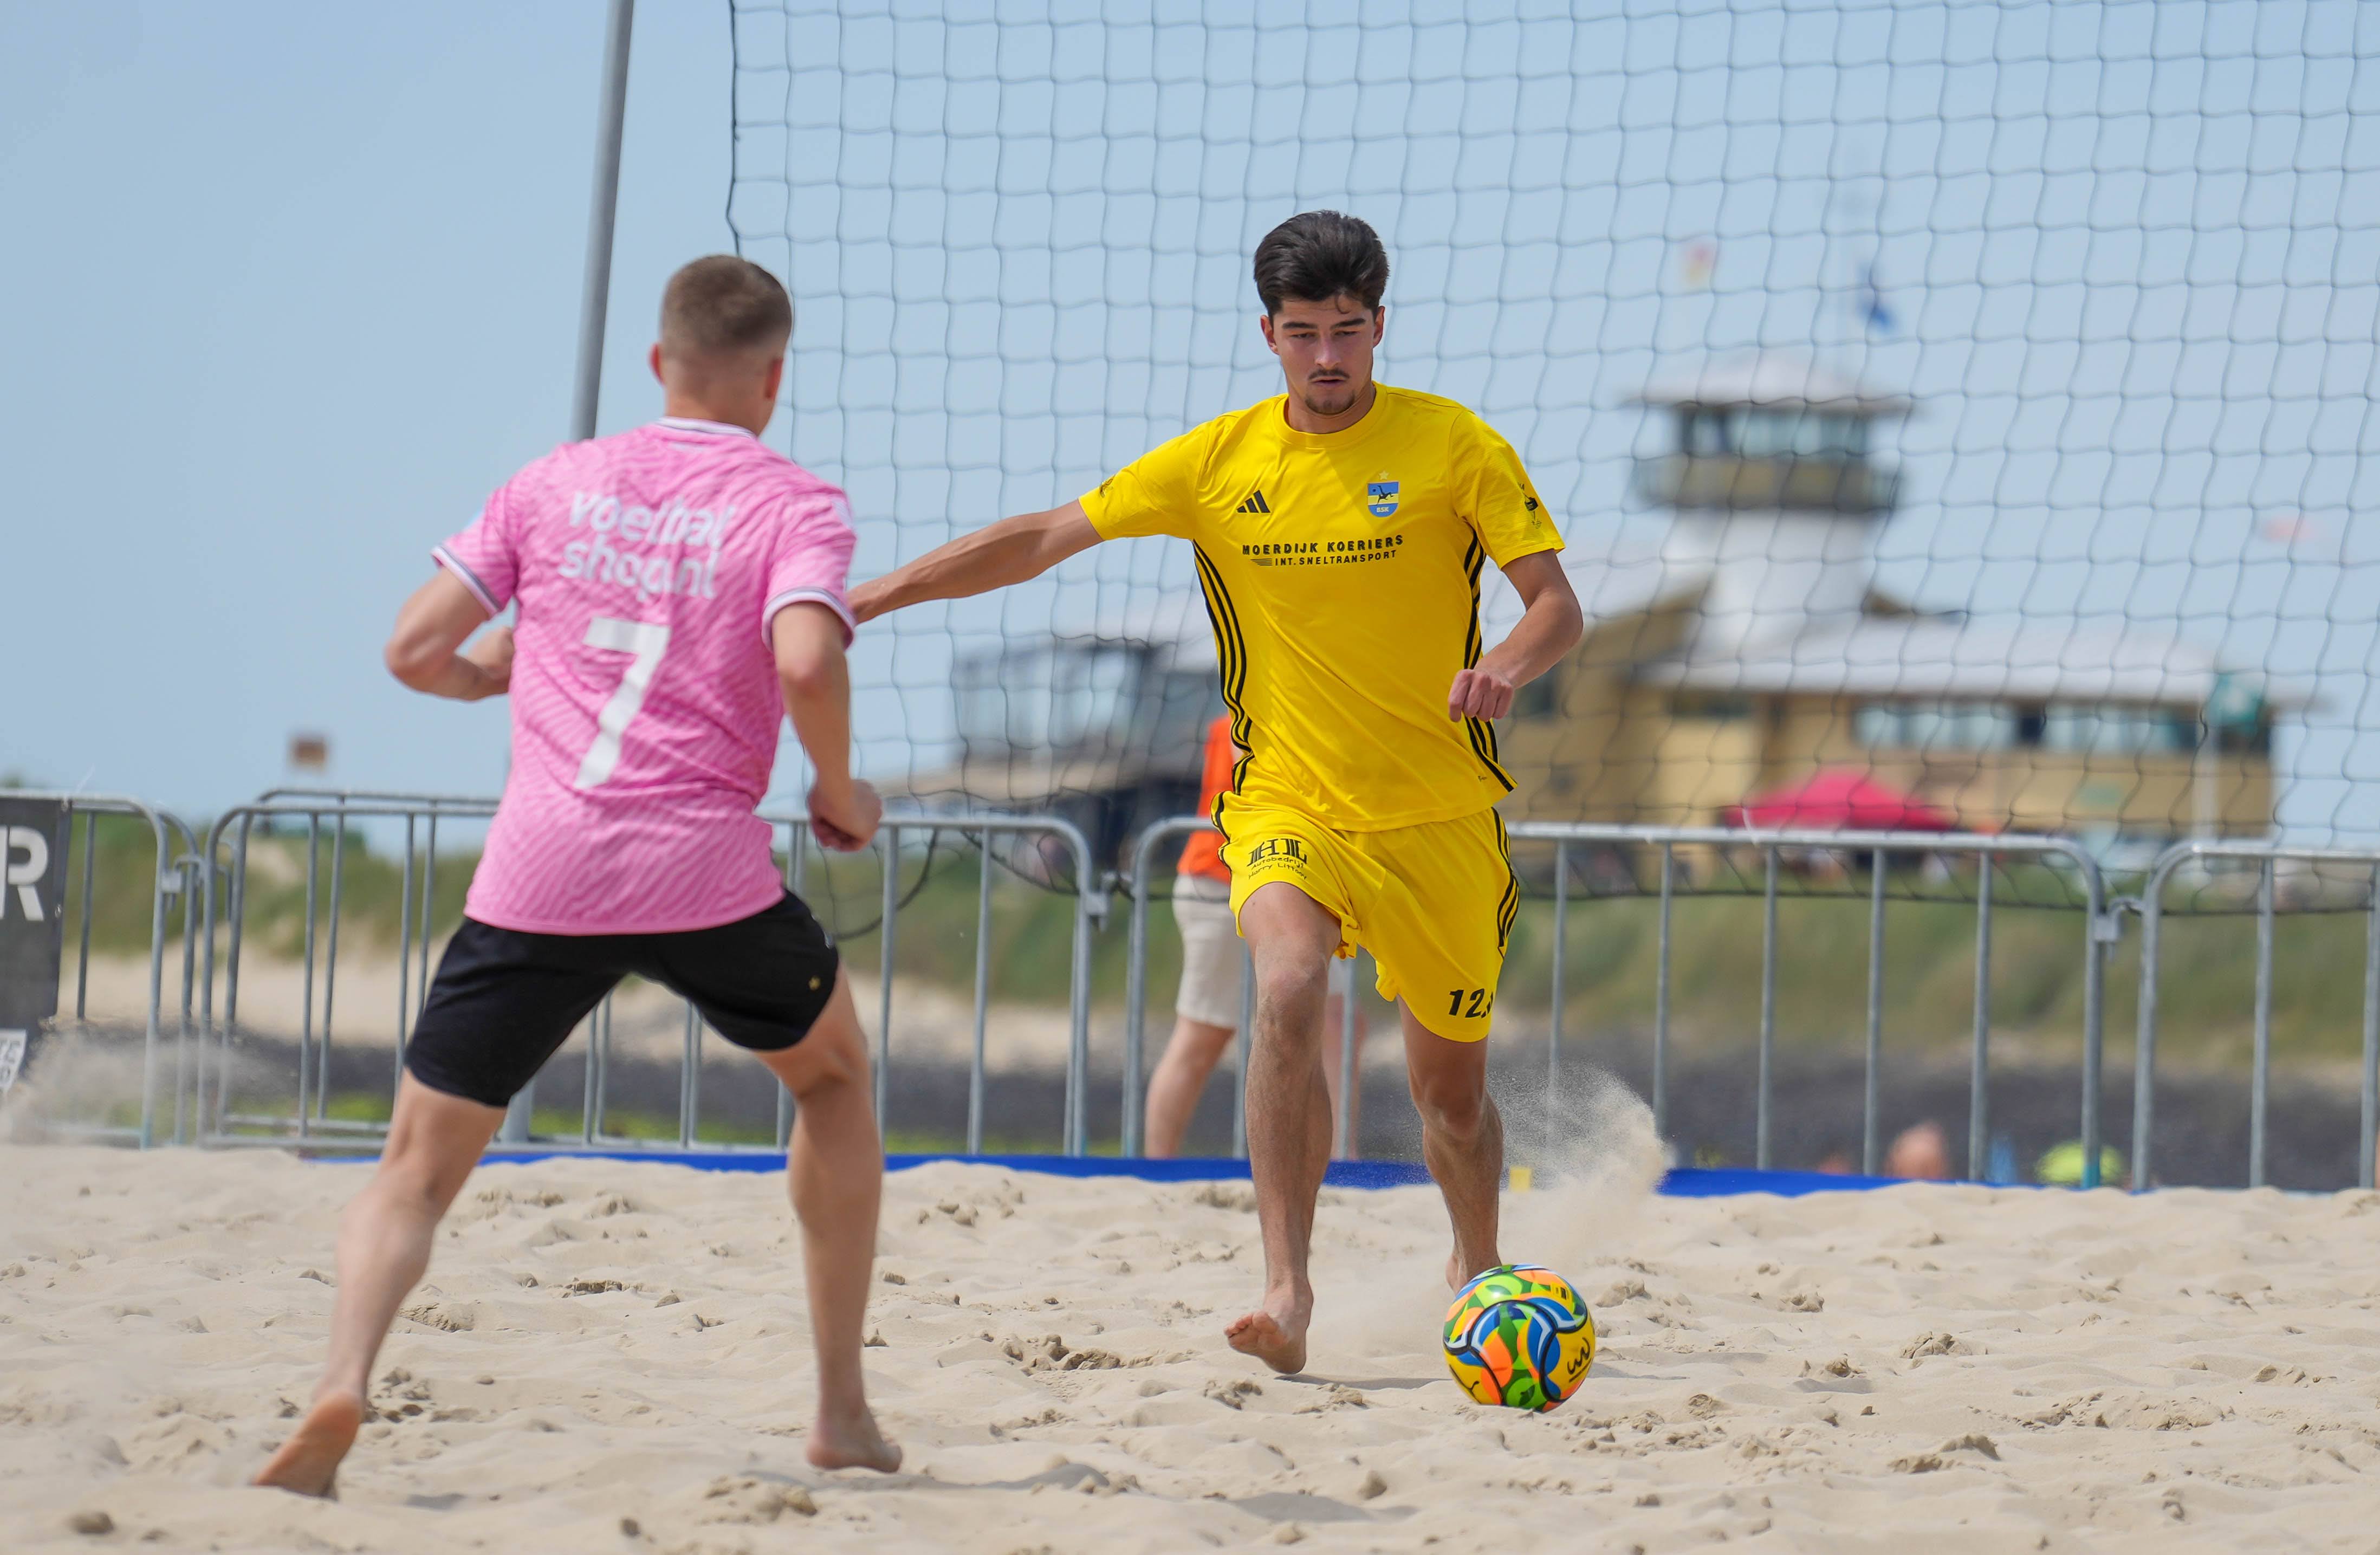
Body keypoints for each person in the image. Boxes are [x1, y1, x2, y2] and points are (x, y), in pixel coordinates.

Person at [853, 212, 1583, 1373]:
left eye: (1350, 332)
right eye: (1305, 335)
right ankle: (1287, 1287)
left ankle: (1473, 1263)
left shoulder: (1456, 446)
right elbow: (1042, 536)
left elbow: (1557, 604)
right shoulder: (1217, 463)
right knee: (1285, 985)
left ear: (1380, 326)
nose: (1330, 359)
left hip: (1441, 818)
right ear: (1270, 335)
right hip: (1287, 802)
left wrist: (1506, 665)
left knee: (1450, 1102)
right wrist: (869, 598)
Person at [253, 256, 901, 1495]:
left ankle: (342, 1382)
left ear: (658, 365)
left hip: (539, 872)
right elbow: (809, 663)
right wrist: (838, 790)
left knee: (414, 1172)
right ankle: (839, 1409)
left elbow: (409, 649)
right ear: (772, 379)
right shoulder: (794, 502)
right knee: (831, 1079)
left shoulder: (554, 482)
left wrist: (491, 676)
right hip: (704, 874)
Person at [1147, 713, 1361, 1158]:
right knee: (1204, 1034)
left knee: (1338, 1023)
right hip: (1222, 882)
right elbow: (1269, 786)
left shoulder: (1326, 707)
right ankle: (1154, 1168)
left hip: (1305, 884)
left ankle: (1344, 1163)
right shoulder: (1249, 712)